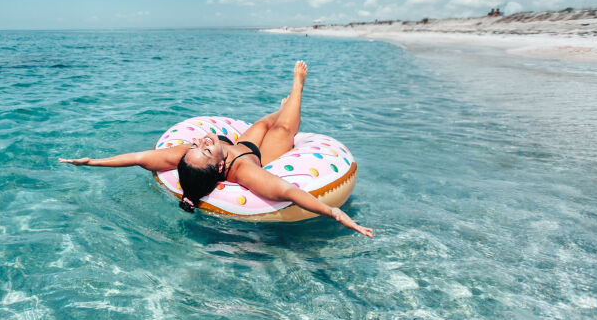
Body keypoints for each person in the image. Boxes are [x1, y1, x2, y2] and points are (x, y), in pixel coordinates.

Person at [60, 61, 374, 238]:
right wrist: (334, 212)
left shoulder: (190, 157)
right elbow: (287, 191)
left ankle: (280, 109)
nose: (204, 141)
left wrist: (92, 162)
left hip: (240, 145)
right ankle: (297, 88)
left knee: (262, 122)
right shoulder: (245, 173)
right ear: (219, 168)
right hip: (256, 157)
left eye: (198, 145)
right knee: (280, 130)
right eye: (206, 149)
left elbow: (140, 158)